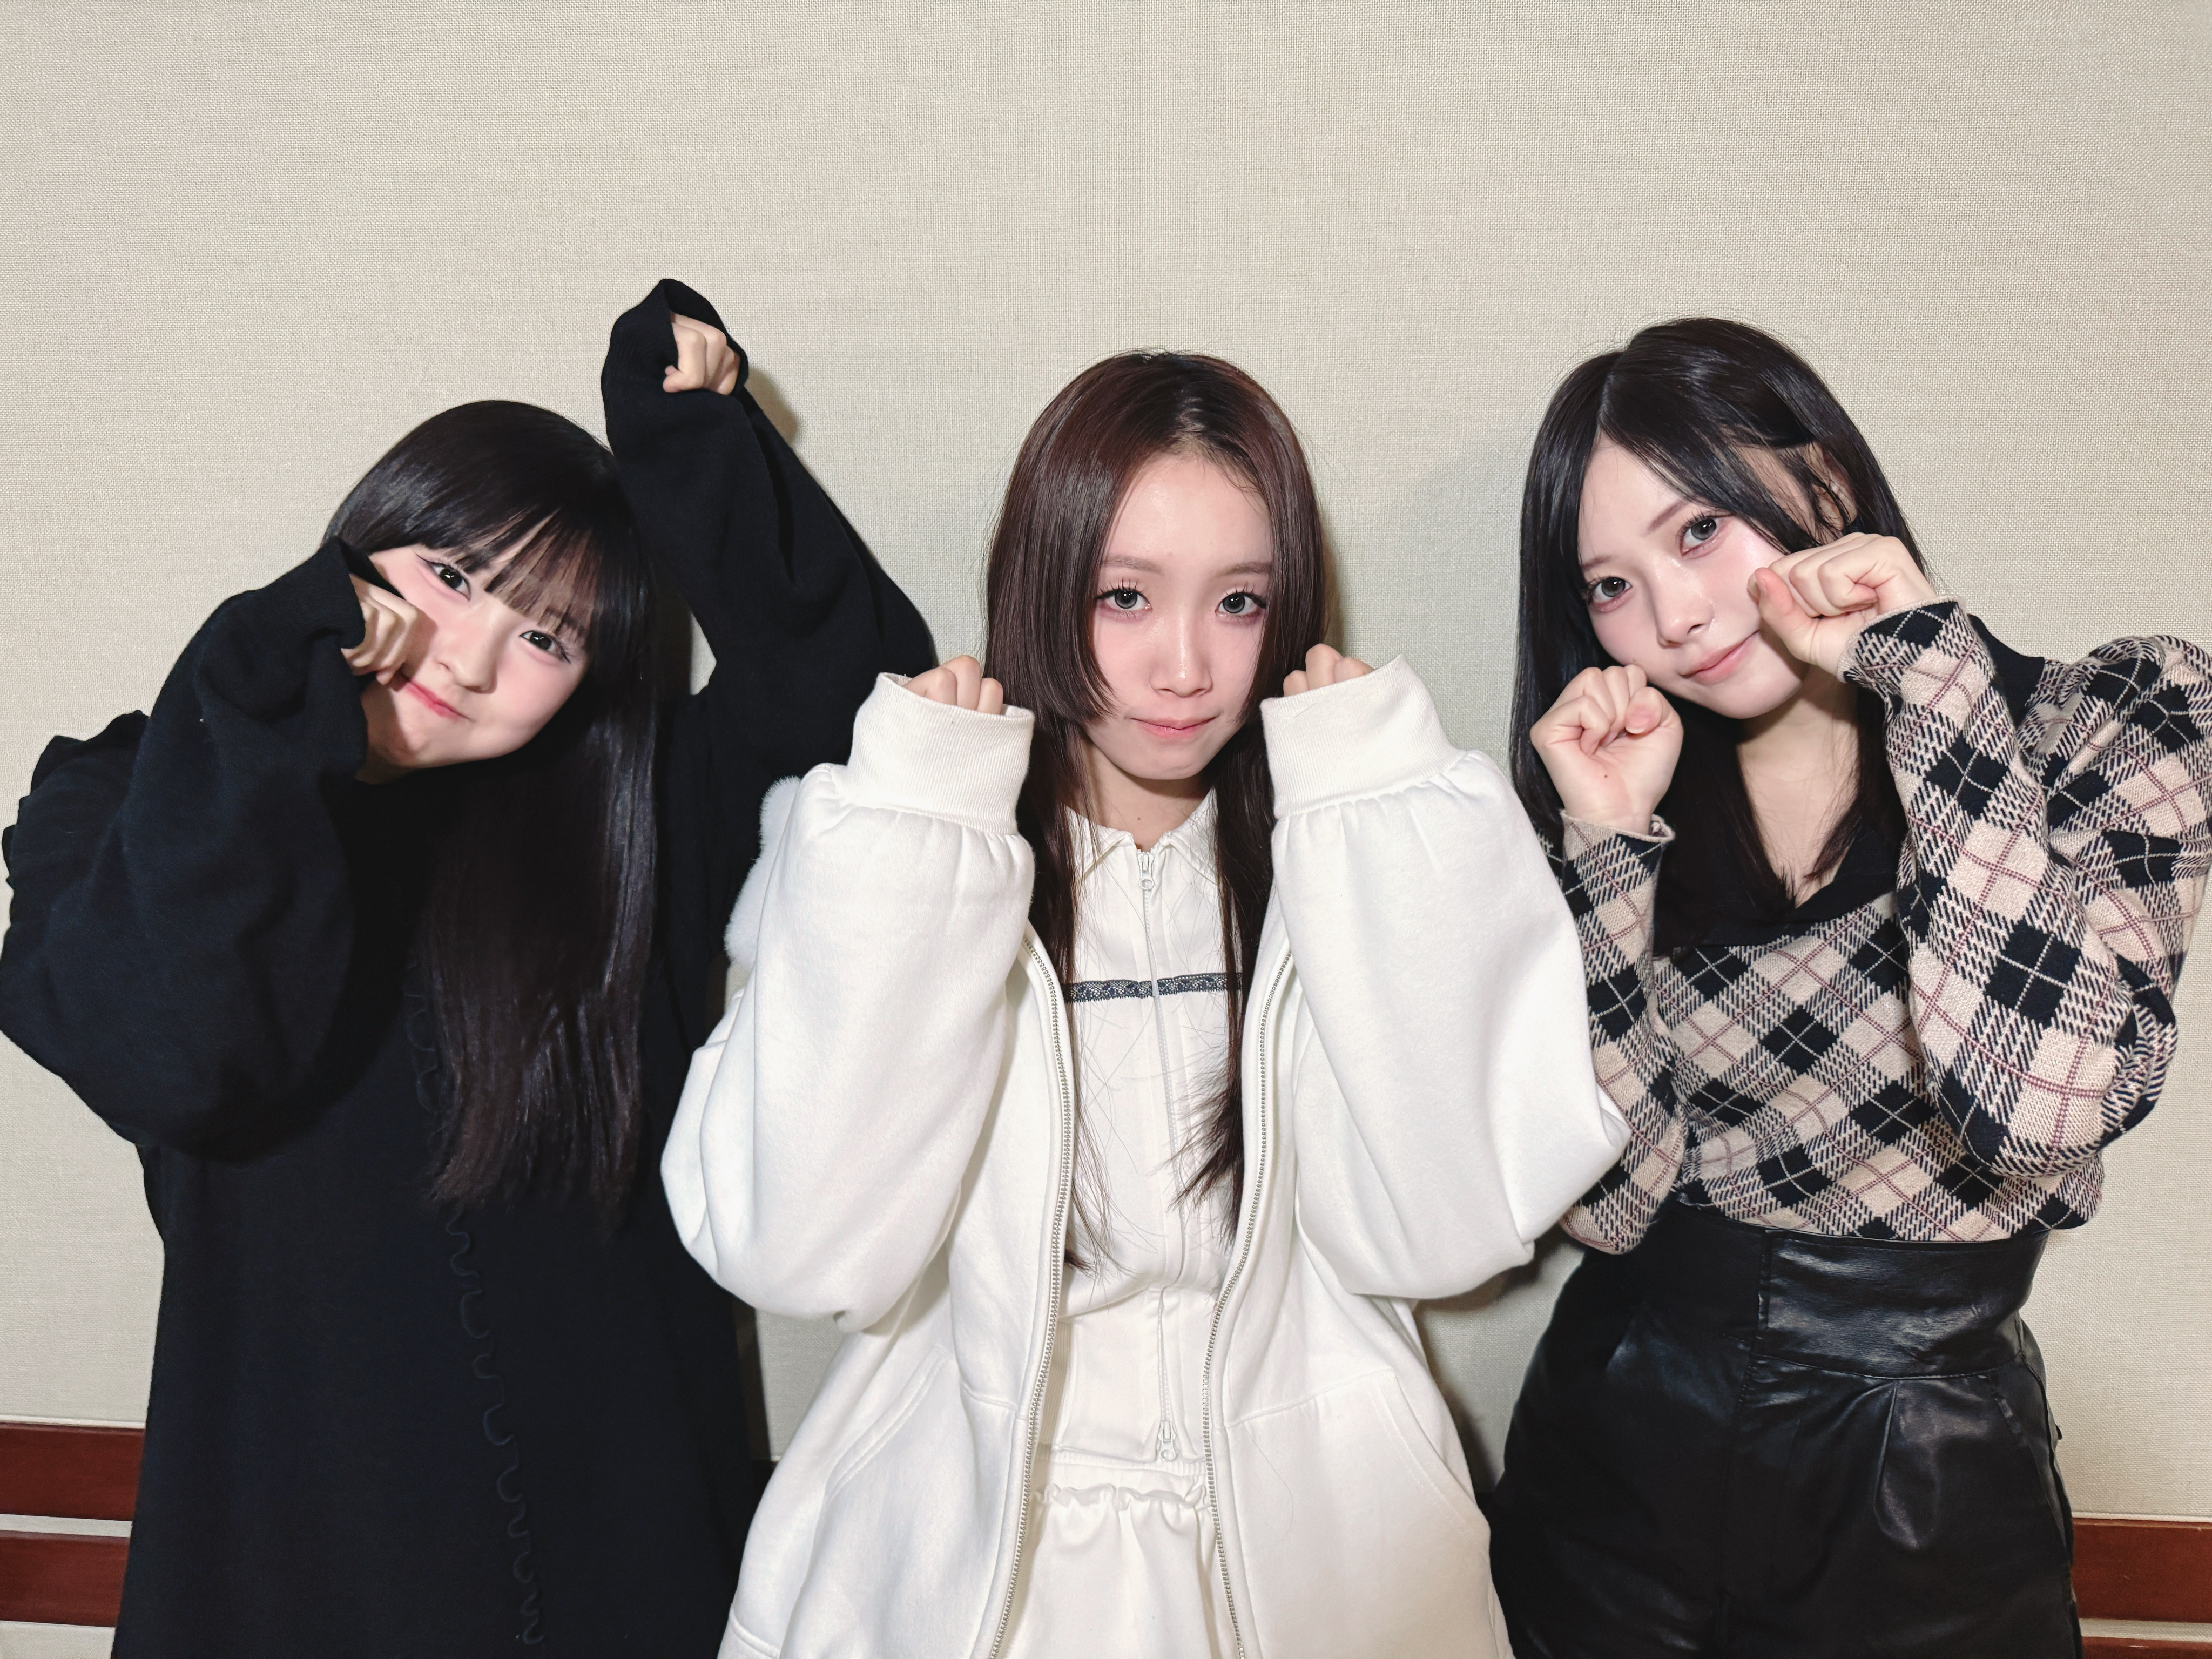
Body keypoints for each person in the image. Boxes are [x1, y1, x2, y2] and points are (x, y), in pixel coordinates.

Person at [0, 280, 931, 1654]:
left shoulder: (635, 828)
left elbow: (864, 698)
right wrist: (263, 693)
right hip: (289, 1573)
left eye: (549, 636)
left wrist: (688, 444)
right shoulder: (140, 795)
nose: (475, 657)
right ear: (357, 555)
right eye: (449, 576)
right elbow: (170, 1054)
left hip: (626, 1570)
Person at [662, 347, 1627, 1659]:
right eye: (1123, 596)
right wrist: (916, 838)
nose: (1184, 667)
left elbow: (1443, 1236)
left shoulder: (1339, 855)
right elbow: (799, 1252)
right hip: (964, 1550)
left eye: (1239, 602)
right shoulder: (909, 847)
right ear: (1041, 585)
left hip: (1313, 1559)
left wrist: (1376, 811)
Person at [1483, 317, 2212, 1657]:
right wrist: (1605, 850)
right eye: (1610, 584)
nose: (1673, 616)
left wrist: (1925, 673)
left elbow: (2037, 1104)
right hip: (1611, 1468)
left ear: (1823, 480)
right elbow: (1612, 1205)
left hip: (1920, 1488)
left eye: (1700, 529)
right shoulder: (1627, 793)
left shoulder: (2113, 718)